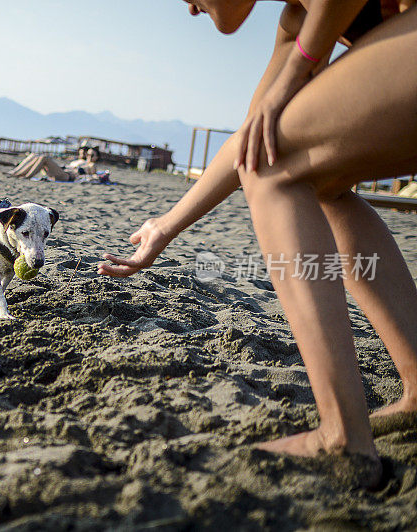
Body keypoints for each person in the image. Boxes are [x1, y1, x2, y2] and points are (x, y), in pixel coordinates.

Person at [99, 0, 417, 479]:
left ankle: (342, 437)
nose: (187, 7)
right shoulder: (295, 19)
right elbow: (250, 143)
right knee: (306, 176)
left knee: (277, 168)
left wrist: (298, 70)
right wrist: (165, 226)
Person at [9, 146, 100, 181]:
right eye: (88, 154)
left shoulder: (92, 165)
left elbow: (93, 176)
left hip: (66, 176)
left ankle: (27, 176)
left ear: (96, 157)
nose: (89, 156)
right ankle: (16, 172)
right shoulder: (82, 162)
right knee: (35, 156)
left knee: (44, 158)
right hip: (61, 172)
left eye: (92, 155)